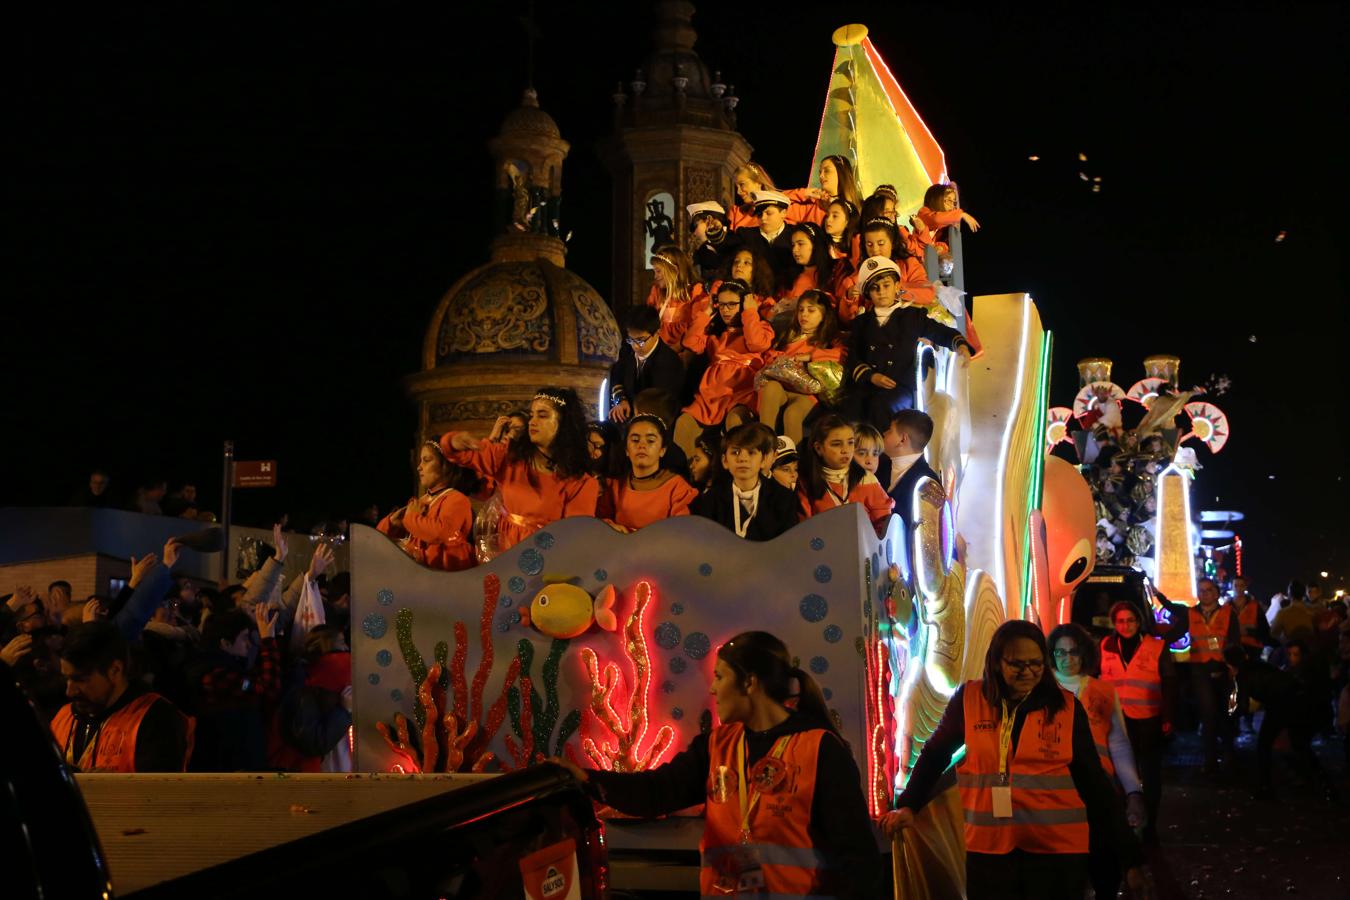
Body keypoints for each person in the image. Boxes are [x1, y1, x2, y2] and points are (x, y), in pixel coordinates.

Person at [552, 631, 883, 897]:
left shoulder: (820, 748)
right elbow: (655, 792)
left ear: (749, 683)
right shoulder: (717, 745)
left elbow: (856, 857)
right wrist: (585, 779)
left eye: (720, 676)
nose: (712, 688)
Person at [883, 620, 1145, 900]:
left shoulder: (1066, 707)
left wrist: (1129, 856)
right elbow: (936, 753)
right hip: (990, 852)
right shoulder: (969, 699)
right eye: (1017, 664)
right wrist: (909, 804)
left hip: (1056, 853)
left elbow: (1094, 784)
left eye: (1036, 663)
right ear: (997, 662)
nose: (1028, 672)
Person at [1049, 623, 1147, 900]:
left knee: (1103, 864)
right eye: (1060, 653)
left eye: (1073, 652)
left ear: (1084, 654)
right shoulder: (1043, 692)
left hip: (1099, 793)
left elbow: (1118, 743)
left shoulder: (1103, 692)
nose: (1067, 658)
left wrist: (1133, 791)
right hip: (1057, 794)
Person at [441, 387, 600, 552]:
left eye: (543, 415)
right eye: (531, 415)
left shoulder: (581, 482)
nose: (532, 421)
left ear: (564, 424)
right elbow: (462, 454)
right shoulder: (511, 457)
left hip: (546, 562)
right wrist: (453, 441)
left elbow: (573, 538)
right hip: (503, 555)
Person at [846, 257, 973, 432]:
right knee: (847, 411)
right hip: (867, 386)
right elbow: (853, 357)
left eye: (886, 285)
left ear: (897, 286)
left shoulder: (912, 316)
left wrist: (960, 345)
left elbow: (941, 332)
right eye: (875, 288)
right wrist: (871, 376)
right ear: (868, 293)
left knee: (881, 407)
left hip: (900, 389)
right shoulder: (861, 323)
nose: (881, 291)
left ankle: (885, 458)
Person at [51, 620, 193, 772]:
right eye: (67, 679)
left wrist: (110, 789)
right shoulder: (63, 717)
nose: (70, 691)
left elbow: (159, 793)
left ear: (115, 670)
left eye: (80, 679)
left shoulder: (155, 718)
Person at [1098, 599, 1185, 841]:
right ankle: (1125, 822)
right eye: (1120, 621)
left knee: (1149, 773)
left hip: (1147, 719)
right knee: (1121, 773)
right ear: (1114, 624)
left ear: (1139, 622)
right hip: (1116, 720)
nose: (1126, 626)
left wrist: (1168, 717)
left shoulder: (1156, 646)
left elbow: (1169, 683)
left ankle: (1150, 826)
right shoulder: (1105, 646)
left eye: (1130, 620)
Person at [672, 279, 774, 459]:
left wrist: (750, 312)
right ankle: (686, 476)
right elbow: (690, 343)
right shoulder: (715, 332)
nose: (725, 310)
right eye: (722, 304)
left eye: (732, 304)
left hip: (741, 392)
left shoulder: (759, 327)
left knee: (735, 422)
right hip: (711, 394)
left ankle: (734, 476)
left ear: (744, 302)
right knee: (683, 424)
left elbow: (756, 343)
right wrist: (707, 311)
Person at [1224, 645, 1334, 797]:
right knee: (1299, 744)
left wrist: (1229, 717)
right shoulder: (1259, 665)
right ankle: (1323, 784)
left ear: (1229, 665)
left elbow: (1240, 704)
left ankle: (1265, 787)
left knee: (1264, 745)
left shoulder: (1242, 675)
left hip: (1280, 704)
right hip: (1299, 699)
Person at [188, 604, 282, 771]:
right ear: (225, 643)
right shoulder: (216, 676)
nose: (248, 644)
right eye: (244, 638)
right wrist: (268, 640)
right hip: (230, 767)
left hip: (236, 762)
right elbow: (267, 688)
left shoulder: (223, 666)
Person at [756, 290, 845, 445]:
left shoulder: (829, 339)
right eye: (801, 310)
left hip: (807, 395)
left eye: (811, 310)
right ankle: (765, 447)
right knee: (770, 387)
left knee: (793, 414)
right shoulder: (788, 334)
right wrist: (779, 358)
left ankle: (792, 462)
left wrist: (811, 356)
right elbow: (768, 355)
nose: (804, 314)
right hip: (782, 388)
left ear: (823, 315)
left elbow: (842, 354)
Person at [377, 440, 475, 572]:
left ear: (445, 465)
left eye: (427, 460)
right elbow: (379, 539)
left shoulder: (457, 499)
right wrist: (392, 523)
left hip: (444, 578)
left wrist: (411, 518)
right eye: (420, 461)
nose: (419, 467)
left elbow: (442, 533)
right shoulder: (421, 501)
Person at [692, 423, 799, 541]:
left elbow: (789, 545)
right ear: (725, 461)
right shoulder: (709, 500)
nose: (743, 459)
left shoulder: (784, 498)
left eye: (751, 452)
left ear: (763, 460)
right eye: (735, 452)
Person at [597, 414, 698, 533]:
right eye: (635, 440)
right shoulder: (615, 487)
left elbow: (682, 531)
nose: (641, 445)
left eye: (650, 441)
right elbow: (600, 522)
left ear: (662, 450)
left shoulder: (677, 488)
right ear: (626, 450)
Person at [796, 414, 893, 536]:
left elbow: (884, 528)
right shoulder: (806, 482)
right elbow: (804, 530)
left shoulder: (867, 480)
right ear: (818, 448)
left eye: (850, 443)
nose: (845, 450)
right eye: (836, 444)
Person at [1185, 576, 1240, 773]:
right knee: (1207, 715)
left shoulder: (1228, 613)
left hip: (1223, 668)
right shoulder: (1191, 613)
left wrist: (1234, 665)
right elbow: (1174, 632)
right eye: (1201, 590)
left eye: (1208, 590)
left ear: (1216, 593)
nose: (1204, 594)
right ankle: (1209, 760)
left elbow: (1234, 640)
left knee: (1226, 714)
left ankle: (1229, 755)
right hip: (1200, 669)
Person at [836, 219, 936, 324]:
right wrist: (849, 298)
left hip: (908, 326)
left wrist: (896, 290)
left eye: (881, 243)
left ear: (892, 243)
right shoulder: (859, 276)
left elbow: (927, 294)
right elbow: (846, 319)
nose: (875, 250)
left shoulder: (908, 264)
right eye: (869, 244)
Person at [608, 305, 684, 426]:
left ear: (657, 333)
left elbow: (659, 405)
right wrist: (620, 400)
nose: (635, 346)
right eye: (631, 340)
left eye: (641, 340)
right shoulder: (628, 348)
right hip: (627, 412)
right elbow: (617, 373)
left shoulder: (668, 363)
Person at [880, 409, 942, 535]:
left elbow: (932, 535)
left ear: (902, 440)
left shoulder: (928, 482)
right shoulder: (880, 466)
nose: (884, 433)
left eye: (890, 430)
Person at [647, 244, 706, 350]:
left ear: (675, 270)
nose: (655, 276)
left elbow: (698, 326)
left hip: (684, 350)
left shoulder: (694, 291)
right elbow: (648, 321)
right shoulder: (657, 291)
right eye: (654, 272)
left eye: (659, 271)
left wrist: (678, 349)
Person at [734, 190, 795, 283]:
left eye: (769, 213)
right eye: (759, 214)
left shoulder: (796, 235)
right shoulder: (746, 235)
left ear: (783, 213)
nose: (763, 218)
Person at [687, 200, 740, 281]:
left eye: (694, 226)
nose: (694, 233)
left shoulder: (736, 241)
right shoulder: (702, 250)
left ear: (709, 220)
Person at [686, 427, 722, 494]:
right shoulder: (696, 491)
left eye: (697, 460)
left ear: (713, 461)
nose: (691, 466)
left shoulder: (722, 495)